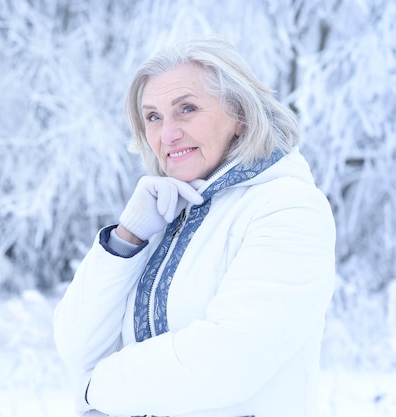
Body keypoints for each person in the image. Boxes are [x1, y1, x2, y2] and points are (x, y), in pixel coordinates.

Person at [53, 36, 336, 417]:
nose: (167, 134)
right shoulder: (166, 213)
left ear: (240, 116)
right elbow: (76, 347)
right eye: (153, 117)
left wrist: (97, 389)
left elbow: (230, 359)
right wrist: (128, 237)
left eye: (186, 109)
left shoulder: (287, 208)